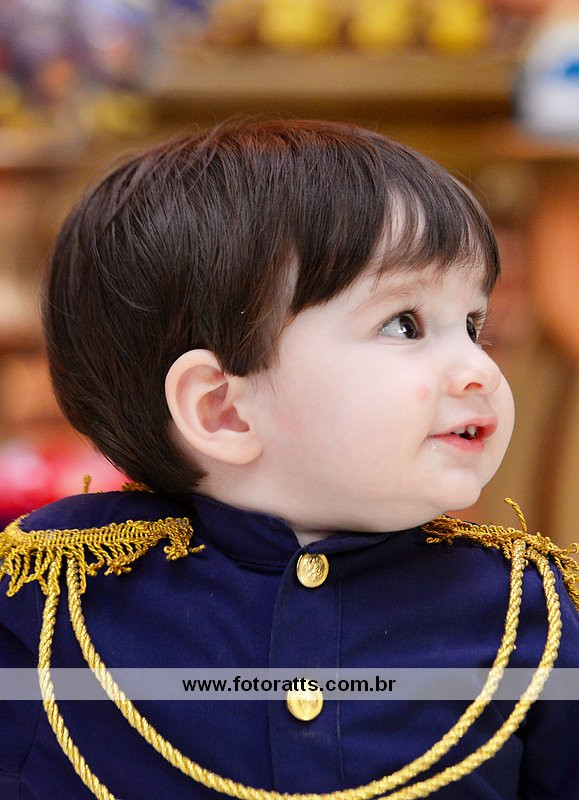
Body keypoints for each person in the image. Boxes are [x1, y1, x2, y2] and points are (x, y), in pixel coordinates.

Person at [0, 119, 577, 800]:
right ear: (222, 409)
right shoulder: (52, 594)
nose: (480, 369)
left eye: (475, 326)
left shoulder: (525, 611)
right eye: (404, 324)